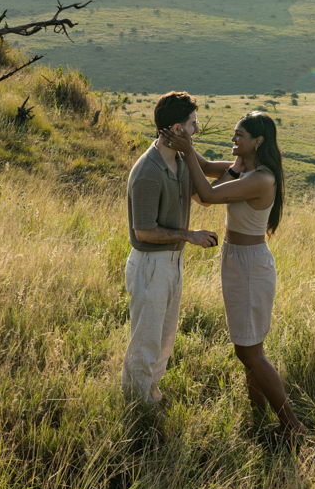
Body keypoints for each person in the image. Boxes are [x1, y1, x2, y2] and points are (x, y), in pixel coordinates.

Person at [161, 110, 305, 436]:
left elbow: (207, 196)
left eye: (239, 134)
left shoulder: (261, 179)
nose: (233, 139)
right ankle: (259, 419)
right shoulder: (241, 168)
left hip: (251, 265)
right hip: (236, 259)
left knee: (248, 350)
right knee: (249, 346)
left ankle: (292, 425)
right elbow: (203, 169)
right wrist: (183, 140)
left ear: (258, 141)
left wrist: (186, 147)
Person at [121, 90, 229, 403]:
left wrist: (247, 169)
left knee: (165, 339)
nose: (197, 130)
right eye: (193, 124)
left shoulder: (181, 160)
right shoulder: (147, 172)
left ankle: (150, 396)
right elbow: (143, 232)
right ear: (178, 130)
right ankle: (137, 406)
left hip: (172, 264)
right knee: (145, 342)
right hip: (150, 265)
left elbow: (202, 193)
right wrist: (189, 235)